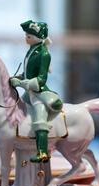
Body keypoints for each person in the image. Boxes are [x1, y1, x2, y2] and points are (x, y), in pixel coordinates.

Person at [10, 20, 63, 163]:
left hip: (39, 93)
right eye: (26, 35)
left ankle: (43, 152)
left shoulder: (44, 54)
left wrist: (21, 83)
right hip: (29, 93)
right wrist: (17, 77)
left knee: (40, 120)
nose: (26, 37)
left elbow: (41, 79)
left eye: (29, 35)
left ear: (39, 37)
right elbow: (27, 73)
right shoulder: (31, 50)